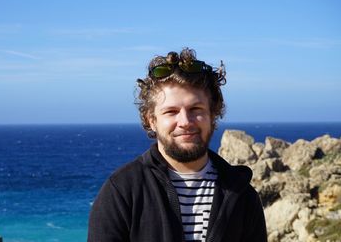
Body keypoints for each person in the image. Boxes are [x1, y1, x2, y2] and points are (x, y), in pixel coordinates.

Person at [88, 48, 267, 242]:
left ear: (212, 114)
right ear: (151, 120)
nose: (185, 121)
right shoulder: (122, 192)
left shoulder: (242, 196)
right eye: (171, 111)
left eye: (195, 109)